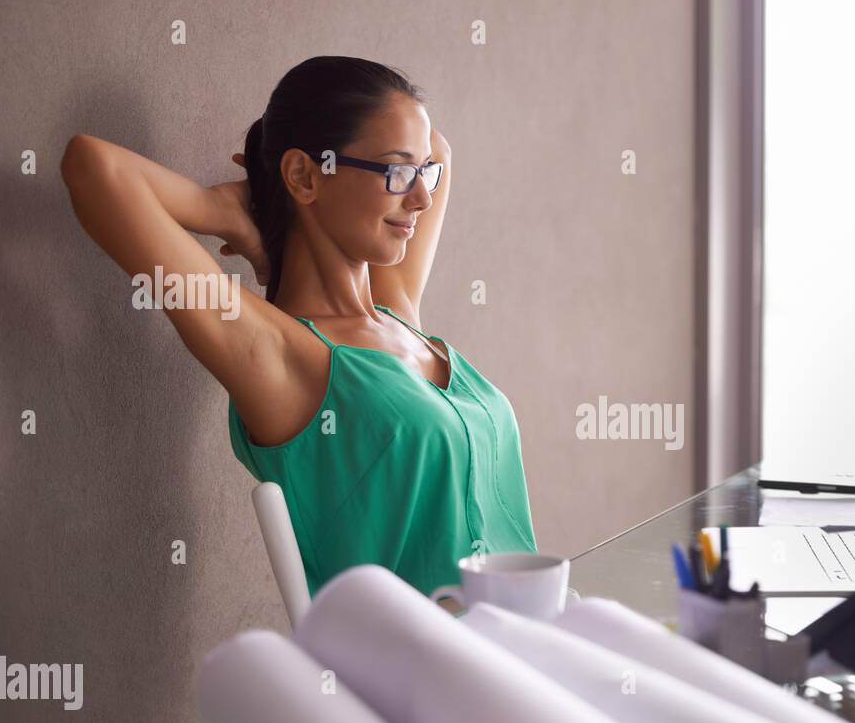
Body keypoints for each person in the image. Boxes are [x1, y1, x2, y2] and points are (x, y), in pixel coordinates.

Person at [61, 55, 538, 598]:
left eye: (420, 172)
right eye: (398, 172)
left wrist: (284, 190)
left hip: (528, 640)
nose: (423, 196)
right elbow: (95, 168)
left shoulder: (396, 309)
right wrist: (228, 208)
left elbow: (442, 152)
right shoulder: (280, 356)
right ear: (305, 176)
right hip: (429, 669)